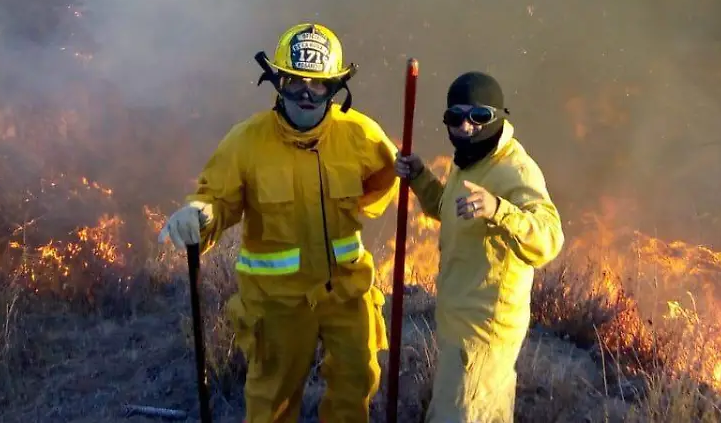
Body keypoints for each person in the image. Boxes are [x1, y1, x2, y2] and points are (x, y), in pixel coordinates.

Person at [158, 22, 400, 423]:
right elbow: (215, 197)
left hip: (347, 294)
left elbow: (392, 173)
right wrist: (199, 214)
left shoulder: (359, 133)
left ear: (336, 86)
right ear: (277, 81)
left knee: (356, 385)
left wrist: (372, 200)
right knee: (272, 401)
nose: (306, 95)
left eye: (318, 85)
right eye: (294, 82)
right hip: (277, 303)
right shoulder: (246, 141)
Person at [394, 71, 565, 423]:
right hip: (460, 330)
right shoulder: (470, 163)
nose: (467, 127)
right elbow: (450, 210)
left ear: (499, 116)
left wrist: (499, 210)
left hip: (482, 338)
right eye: (456, 117)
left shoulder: (515, 170)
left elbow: (549, 238)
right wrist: (421, 178)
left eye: (479, 117)